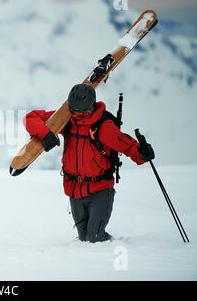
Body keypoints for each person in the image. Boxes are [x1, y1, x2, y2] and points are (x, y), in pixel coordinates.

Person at [23, 83, 155, 243]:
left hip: (100, 191)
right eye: (74, 111)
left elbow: (129, 147)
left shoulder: (104, 127)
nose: (78, 115)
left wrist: (143, 152)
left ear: (91, 106)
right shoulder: (67, 120)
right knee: (84, 238)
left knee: (95, 238)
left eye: (82, 112)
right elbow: (30, 118)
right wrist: (45, 134)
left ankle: (119, 248)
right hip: (74, 191)